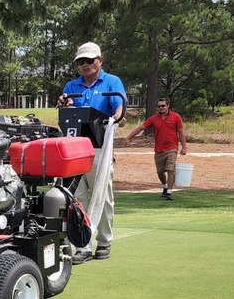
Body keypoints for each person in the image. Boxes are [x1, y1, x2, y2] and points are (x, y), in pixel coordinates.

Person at [57, 42, 125, 264]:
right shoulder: (71, 86)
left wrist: (116, 118)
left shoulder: (111, 82)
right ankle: (83, 245)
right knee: (77, 198)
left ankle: (104, 241)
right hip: (75, 149)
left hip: (100, 149)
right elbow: (67, 112)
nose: (85, 65)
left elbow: (119, 107)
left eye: (89, 60)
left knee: (102, 196)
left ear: (100, 60)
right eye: (81, 61)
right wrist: (64, 104)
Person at [124, 97, 187, 200]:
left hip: (172, 148)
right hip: (159, 149)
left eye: (163, 105)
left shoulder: (176, 117)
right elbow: (141, 127)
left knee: (170, 169)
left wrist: (184, 147)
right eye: (159, 106)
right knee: (160, 172)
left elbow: (181, 132)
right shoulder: (154, 118)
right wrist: (128, 138)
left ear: (168, 106)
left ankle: (169, 192)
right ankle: (165, 186)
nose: (161, 107)